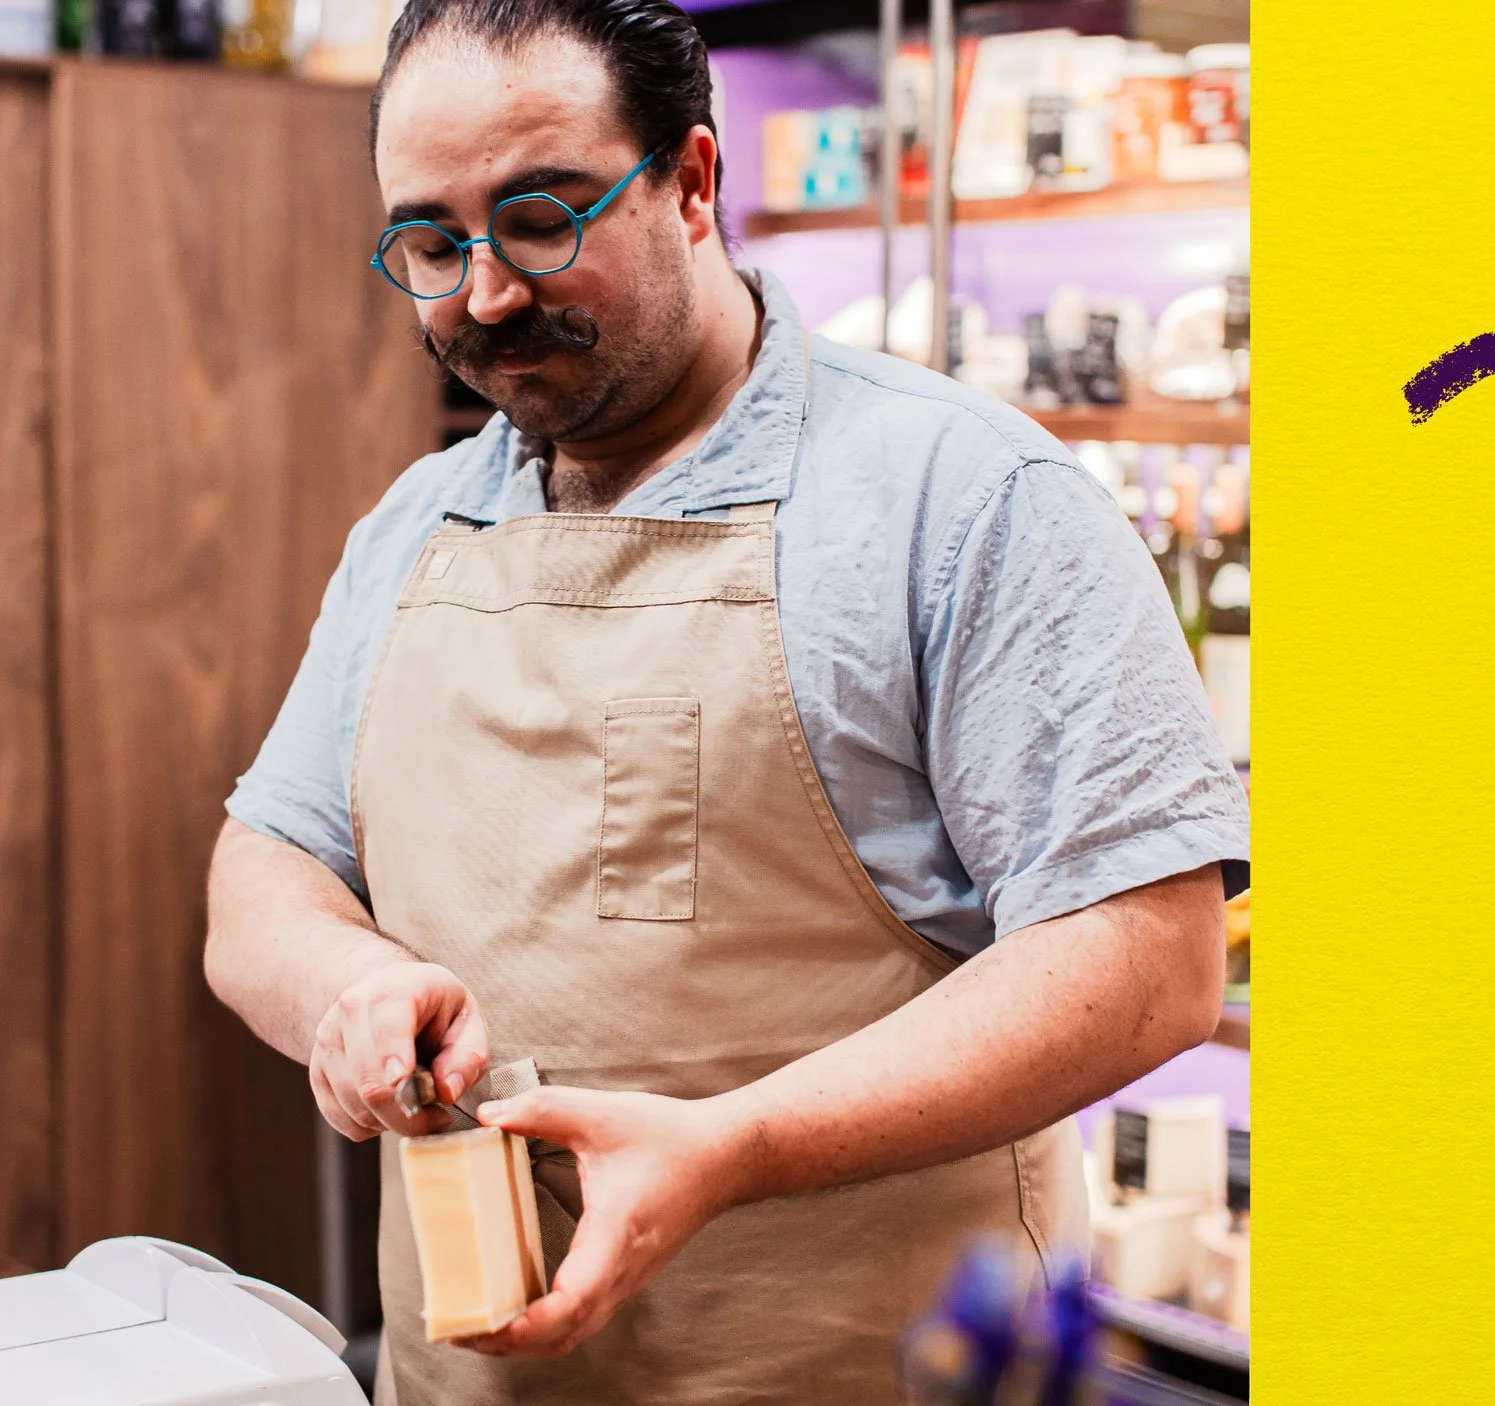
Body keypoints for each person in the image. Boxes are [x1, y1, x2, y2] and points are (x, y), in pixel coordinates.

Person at [200, 0, 1248, 1400]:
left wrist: (737, 1144)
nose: (490, 292)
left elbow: (1153, 959)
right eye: (434, 245)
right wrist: (350, 987)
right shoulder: (416, 528)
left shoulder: (964, 500)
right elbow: (260, 869)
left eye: (542, 217)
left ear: (696, 181)